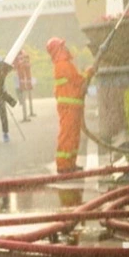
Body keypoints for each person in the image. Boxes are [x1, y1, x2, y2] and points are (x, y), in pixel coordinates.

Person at [46, 37, 92, 174]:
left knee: (73, 136)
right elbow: (78, 80)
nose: (66, 48)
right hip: (69, 107)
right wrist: (89, 72)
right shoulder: (63, 65)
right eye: (63, 46)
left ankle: (70, 163)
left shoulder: (65, 64)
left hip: (73, 106)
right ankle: (63, 165)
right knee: (67, 135)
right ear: (58, 50)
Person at [12, 50, 36, 122]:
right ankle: (26, 108)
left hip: (20, 77)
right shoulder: (25, 54)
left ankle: (21, 103)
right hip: (25, 77)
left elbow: (14, 66)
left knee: (19, 92)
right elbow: (28, 64)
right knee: (23, 92)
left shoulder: (16, 56)